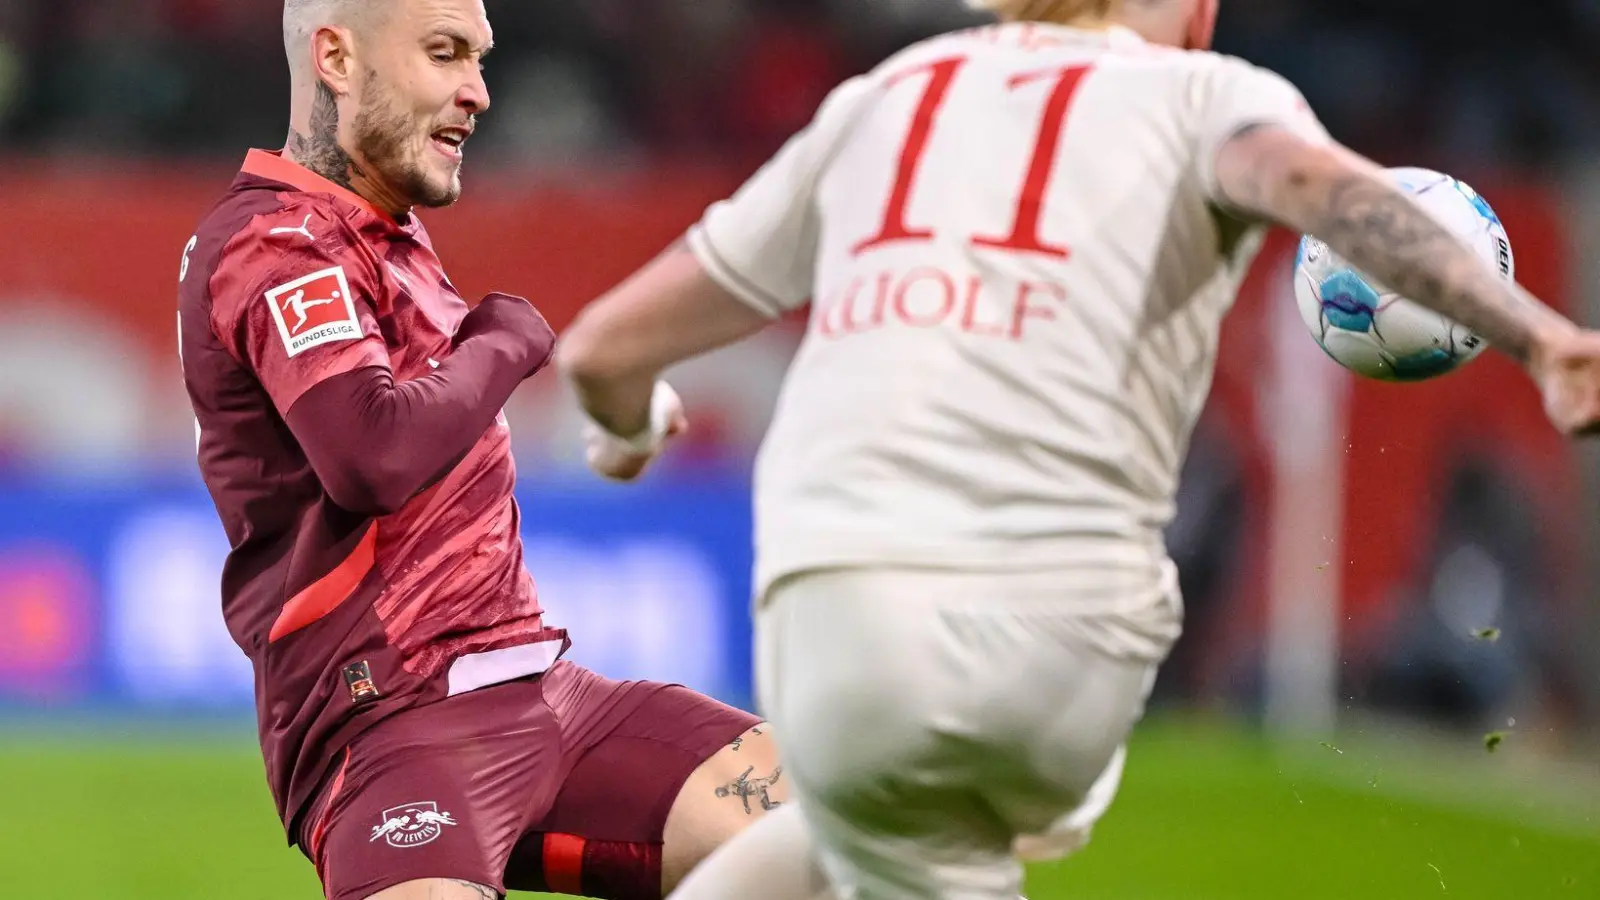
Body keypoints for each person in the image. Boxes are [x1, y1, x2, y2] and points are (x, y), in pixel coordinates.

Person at [556, 1, 1600, 898]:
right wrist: (1538, 336)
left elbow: (603, 346)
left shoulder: (886, 98)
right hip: (1055, 633)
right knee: (889, 834)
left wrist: (628, 423)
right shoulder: (1203, 99)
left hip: (830, 622)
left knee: (877, 822)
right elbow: (1342, 199)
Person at [175, 2, 788, 899]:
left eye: (480, 59)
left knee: (856, 844)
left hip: (548, 697)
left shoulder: (385, 234)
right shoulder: (276, 245)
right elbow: (370, 455)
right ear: (337, 57)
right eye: (445, 53)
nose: (478, 91)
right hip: (391, 727)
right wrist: (505, 337)